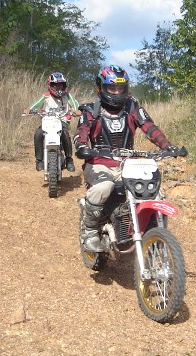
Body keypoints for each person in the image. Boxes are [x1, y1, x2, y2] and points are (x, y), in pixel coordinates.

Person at [74, 65, 180, 252]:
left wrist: (167, 146)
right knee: (104, 187)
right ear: (101, 87)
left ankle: (154, 234)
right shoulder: (91, 110)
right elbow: (82, 131)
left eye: (120, 88)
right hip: (99, 164)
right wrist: (82, 146)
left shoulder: (132, 107)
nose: (117, 92)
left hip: (128, 164)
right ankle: (89, 230)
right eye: (112, 88)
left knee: (154, 192)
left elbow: (150, 127)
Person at [25, 72, 80, 172]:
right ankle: (39, 160)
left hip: (62, 120)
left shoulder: (67, 96)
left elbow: (75, 104)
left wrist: (76, 111)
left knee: (65, 133)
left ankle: (69, 159)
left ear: (64, 85)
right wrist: (29, 109)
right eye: (55, 85)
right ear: (50, 85)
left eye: (61, 85)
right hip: (47, 121)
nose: (58, 87)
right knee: (38, 134)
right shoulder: (46, 96)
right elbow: (36, 104)